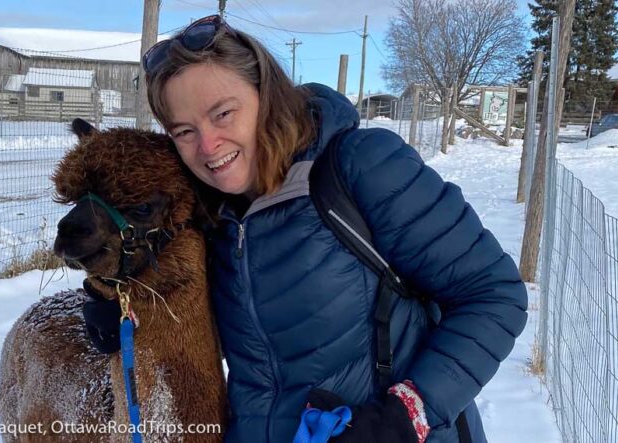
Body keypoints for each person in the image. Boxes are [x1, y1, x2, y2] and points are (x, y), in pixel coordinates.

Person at [84, 14, 528, 443]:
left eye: (222, 114)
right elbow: (230, 338)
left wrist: (404, 416)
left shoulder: (359, 168)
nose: (207, 145)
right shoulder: (212, 216)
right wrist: (137, 317)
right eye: (183, 130)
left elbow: (494, 295)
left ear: (267, 94)